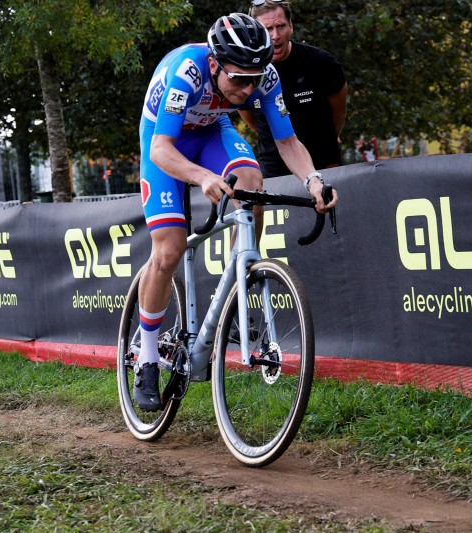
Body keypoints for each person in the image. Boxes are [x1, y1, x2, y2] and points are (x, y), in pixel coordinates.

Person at [134, 12, 338, 411]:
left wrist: (313, 181)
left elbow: (288, 143)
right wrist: (203, 177)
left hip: (211, 130)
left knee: (251, 182)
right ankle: (147, 359)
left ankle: (240, 276)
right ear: (214, 64)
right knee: (169, 250)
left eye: (254, 79)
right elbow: (160, 150)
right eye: (238, 80)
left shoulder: (263, 78)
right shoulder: (187, 72)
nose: (247, 90)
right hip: (164, 141)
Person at [238, 0, 347, 178]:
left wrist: (329, 142)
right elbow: (249, 117)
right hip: (275, 167)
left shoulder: (321, 62)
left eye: (280, 26)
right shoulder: (245, 71)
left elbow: (339, 110)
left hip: (324, 162)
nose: (275, 35)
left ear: (291, 26)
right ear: (255, 34)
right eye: (267, 29)